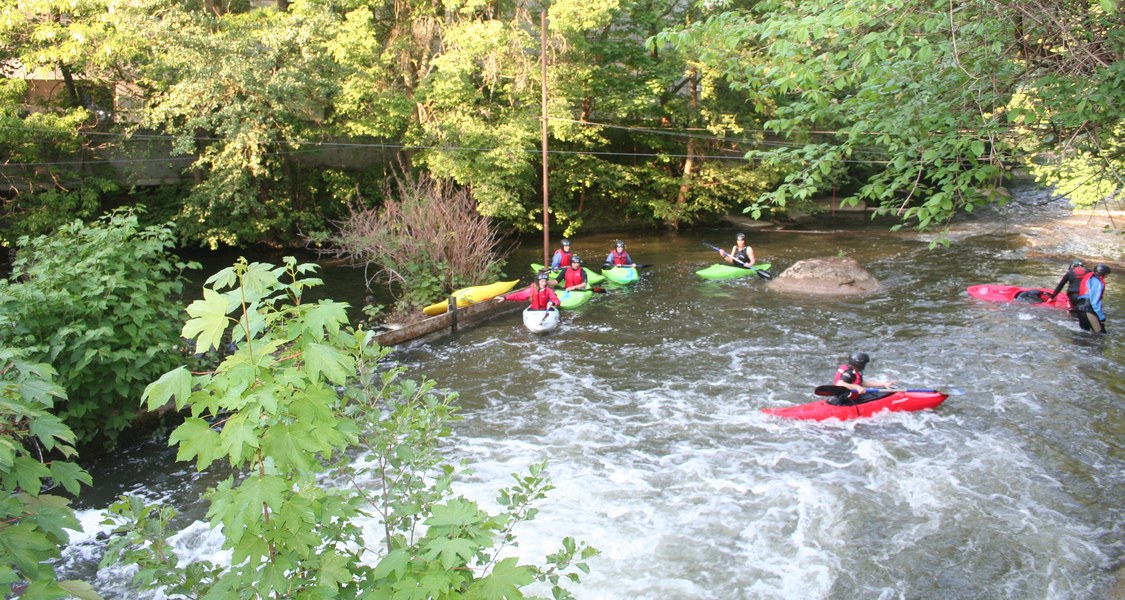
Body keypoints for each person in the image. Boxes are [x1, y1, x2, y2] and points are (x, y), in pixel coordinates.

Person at [828, 351, 897, 406]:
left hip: (846, 397)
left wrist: (883, 384)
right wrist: (857, 387)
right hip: (845, 399)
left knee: (887, 391)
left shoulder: (853, 370)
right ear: (859, 364)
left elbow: (862, 383)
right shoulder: (850, 373)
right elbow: (840, 384)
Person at [1074, 264, 1109, 334]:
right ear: (1103, 274)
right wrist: (1102, 317)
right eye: (1107, 274)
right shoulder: (1097, 282)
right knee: (1101, 334)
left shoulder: (1090, 278)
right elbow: (1094, 303)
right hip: (1087, 308)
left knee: (1084, 333)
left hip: (1079, 307)